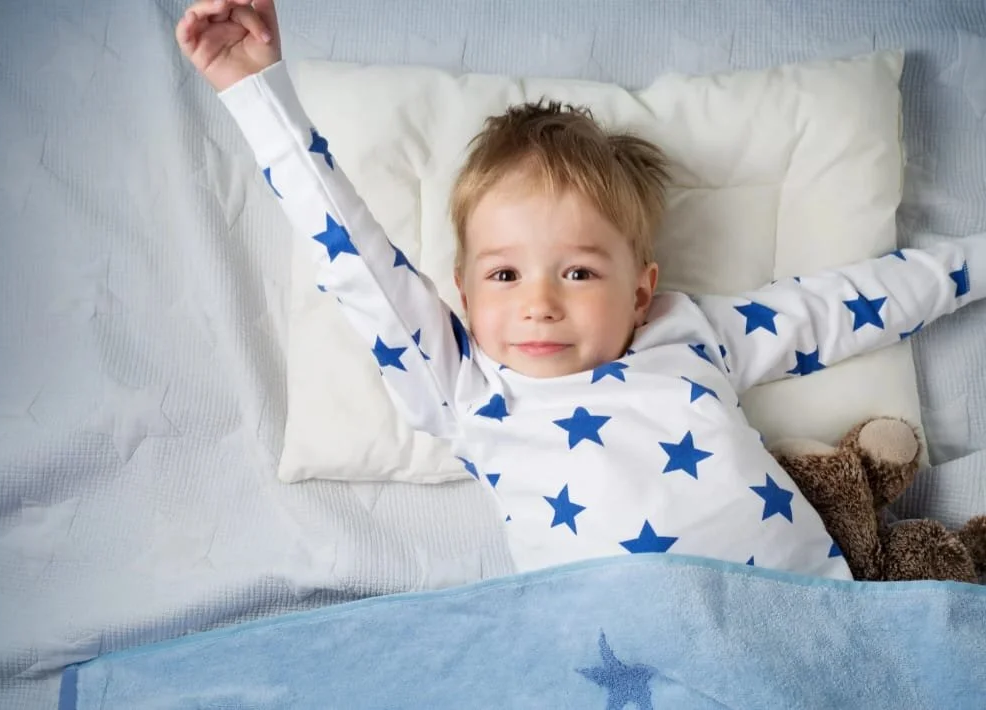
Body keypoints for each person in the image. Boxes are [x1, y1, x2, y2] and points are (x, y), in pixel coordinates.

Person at [176, 0, 985, 579]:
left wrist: (973, 265)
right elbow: (349, 253)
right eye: (503, 274)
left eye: (579, 272)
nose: (539, 302)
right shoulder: (464, 387)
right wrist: (257, 92)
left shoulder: (687, 334)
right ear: (459, 291)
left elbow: (849, 304)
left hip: (815, 629)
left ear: (641, 290)